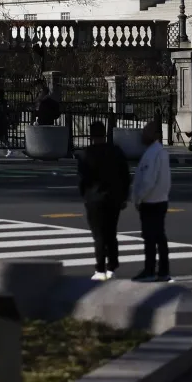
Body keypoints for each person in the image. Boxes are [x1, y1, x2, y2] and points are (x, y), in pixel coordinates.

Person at [76, 119, 131, 280]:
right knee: (111, 233)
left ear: (91, 136)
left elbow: (82, 180)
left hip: (94, 198)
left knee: (99, 235)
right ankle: (112, 266)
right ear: (105, 134)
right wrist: (123, 196)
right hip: (113, 198)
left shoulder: (85, 154)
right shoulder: (116, 151)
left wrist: (85, 196)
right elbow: (125, 176)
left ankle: (100, 268)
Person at [133, 120, 172, 281]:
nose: (143, 134)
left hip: (151, 201)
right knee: (159, 237)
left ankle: (150, 270)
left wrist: (138, 198)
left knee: (150, 238)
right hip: (160, 199)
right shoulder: (158, 152)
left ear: (155, 135)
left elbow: (149, 180)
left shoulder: (153, 153)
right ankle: (163, 271)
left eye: (147, 131)